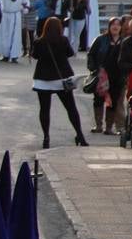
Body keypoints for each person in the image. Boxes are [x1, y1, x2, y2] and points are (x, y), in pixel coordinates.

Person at [31, 17, 89, 149]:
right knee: (71, 108)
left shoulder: (39, 42)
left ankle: (46, 137)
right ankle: (80, 135)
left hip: (43, 80)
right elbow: (70, 53)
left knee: (44, 109)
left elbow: (34, 56)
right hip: (61, 79)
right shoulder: (63, 40)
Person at [88, 17, 123, 134]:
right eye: (113, 24)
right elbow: (91, 55)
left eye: (118, 24)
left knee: (113, 101)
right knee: (98, 100)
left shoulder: (124, 41)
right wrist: (93, 69)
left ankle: (109, 127)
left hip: (117, 76)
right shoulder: (101, 39)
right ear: (109, 26)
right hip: (101, 75)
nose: (115, 27)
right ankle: (98, 125)